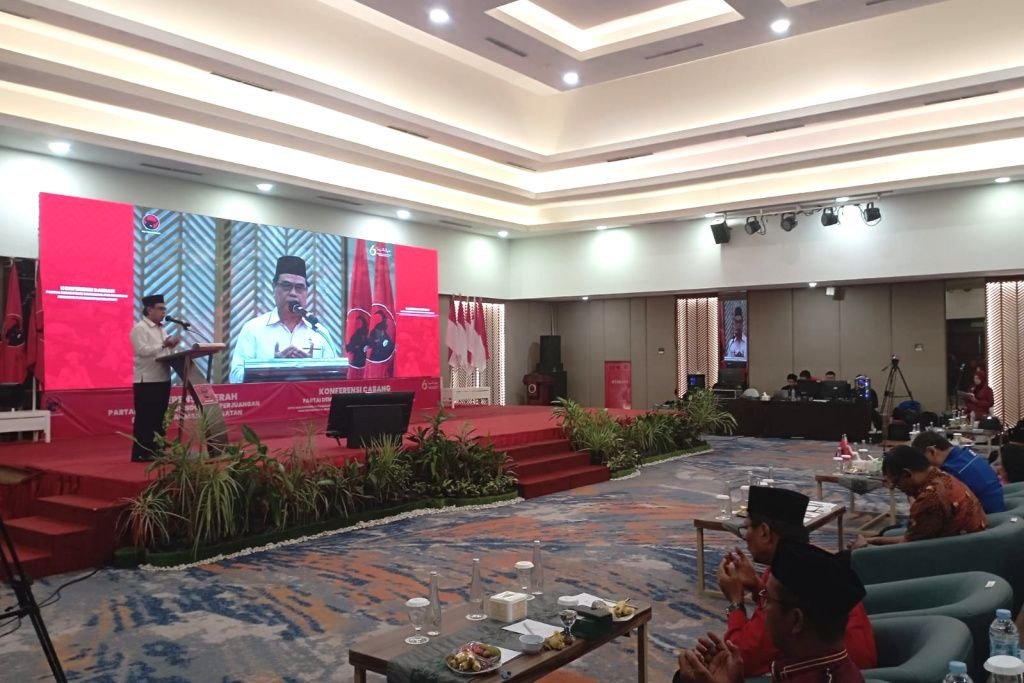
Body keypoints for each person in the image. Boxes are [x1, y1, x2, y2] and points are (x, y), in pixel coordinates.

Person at [710, 487, 875, 677]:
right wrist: (757, 587)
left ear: (764, 532)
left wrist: (735, 602)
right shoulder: (809, 563)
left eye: (747, 528)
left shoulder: (788, 580)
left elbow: (740, 658)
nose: (745, 535)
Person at [676, 539, 869, 683]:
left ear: (796, 620)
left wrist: (735, 603)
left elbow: (746, 650)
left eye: (767, 600)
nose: (763, 608)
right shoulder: (820, 665)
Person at [851, 445, 986, 548]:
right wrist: (874, 540)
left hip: (950, 553)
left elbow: (906, 548)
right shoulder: (942, 476)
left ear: (907, 474)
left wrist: (866, 546)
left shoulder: (930, 499)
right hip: (966, 542)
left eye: (896, 483)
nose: (899, 489)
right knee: (886, 532)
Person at [229, 255, 338, 383]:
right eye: (286, 286)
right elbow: (235, 377)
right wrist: (271, 369)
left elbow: (335, 377)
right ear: (274, 288)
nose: (293, 293)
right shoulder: (253, 329)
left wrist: (311, 369)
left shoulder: (319, 332)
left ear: (306, 292)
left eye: (299, 287)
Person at [130, 294, 180, 462]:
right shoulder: (140, 328)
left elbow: (163, 351)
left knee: (158, 417)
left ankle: (156, 449)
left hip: (162, 379)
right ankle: (141, 452)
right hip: (147, 381)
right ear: (149, 309)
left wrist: (171, 346)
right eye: (160, 308)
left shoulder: (161, 329)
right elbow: (142, 351)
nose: (163, 312)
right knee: (146, 418)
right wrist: (164, 344)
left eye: (164, 308)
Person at [911, 432, 1005, 513]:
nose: (923, 466)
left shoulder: (950, 471)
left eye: (922, 460)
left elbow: (931, 506)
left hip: (987, 517)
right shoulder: (965, 453)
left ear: (932, 451)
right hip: (997, 506)